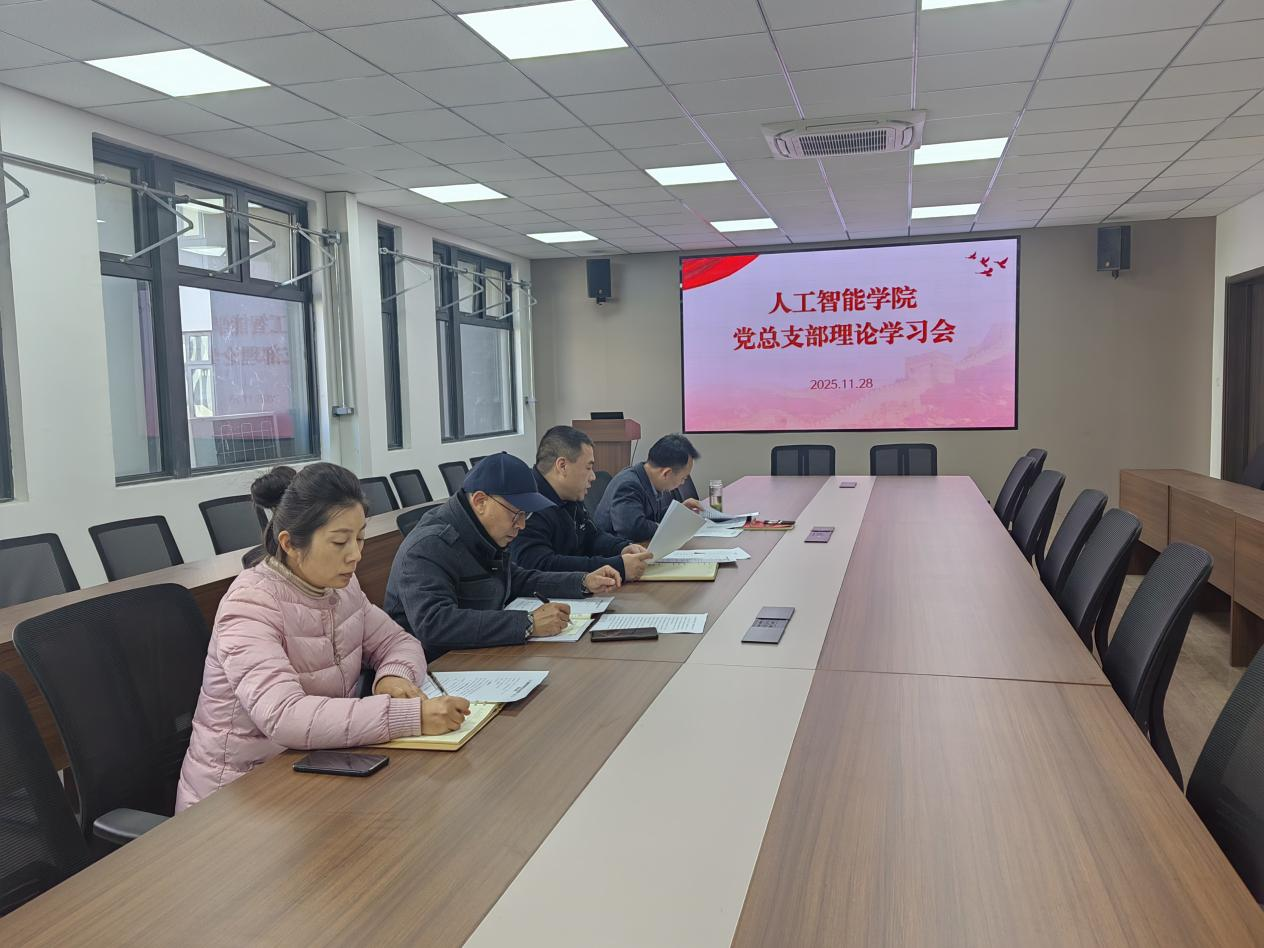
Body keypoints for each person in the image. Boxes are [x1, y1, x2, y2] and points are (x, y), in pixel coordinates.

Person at [176, 463, 469, 811]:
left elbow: (398, 642)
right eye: (340, 541)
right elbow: (285, 716)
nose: (356, 554)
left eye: (359, 537)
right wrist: (409, 717)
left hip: (313, 770)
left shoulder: (341, 588)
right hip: (234, 801)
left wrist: (393, 676)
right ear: (290, 543)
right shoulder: (249, 606)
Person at [385, 453, 622, 656]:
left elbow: (517, 579)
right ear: (480, 501)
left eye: (526, 515)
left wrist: (583, 581)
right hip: (432, 670)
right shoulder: (429, 545)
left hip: (477, 654)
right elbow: (434, 623)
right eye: (516, 514)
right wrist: (527, 623)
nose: (522, 525)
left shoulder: (482, 531)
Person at [511, 425, 653, 581]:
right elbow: (540, 565)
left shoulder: (570, 495)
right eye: (588, 467)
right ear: (562, 466)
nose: (593, 477)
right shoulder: (528, 504)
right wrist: (617, 566)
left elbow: (592, 537)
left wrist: (622, 548)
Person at [594, 433, 702, 542]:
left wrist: (679, 511)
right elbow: (633, 528)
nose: (682, 483)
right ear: (666, 473)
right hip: (617, 549)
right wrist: (667, 529)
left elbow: (652, 516)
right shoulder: (628, 485)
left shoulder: (647, 477)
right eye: (683, 478)